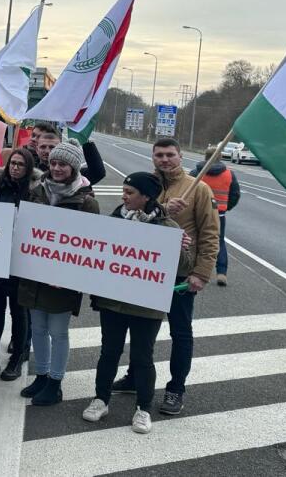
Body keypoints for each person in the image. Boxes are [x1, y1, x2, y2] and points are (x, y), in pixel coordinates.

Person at [114, 138, 218, 415]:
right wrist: (161, 209)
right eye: (159, 154)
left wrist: (201, 273)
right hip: (146, 271)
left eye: (170, 154)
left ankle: (175, 389)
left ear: (180, 156)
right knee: (140, 329)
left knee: (180, 333)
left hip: (180, 275)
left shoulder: (199, 189)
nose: (164, 159)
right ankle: (135, 377)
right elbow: (127, 215)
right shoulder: (147, 184)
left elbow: (210, 235)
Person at [82, 171, 184, 435]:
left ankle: (143, 408)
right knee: (109, 352)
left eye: (130, 193)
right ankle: (101, 399)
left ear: (146, 196)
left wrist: (181, 247)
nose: (123, 196)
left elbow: (183, 267)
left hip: (146, 306)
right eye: (123, 191)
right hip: (113, 302)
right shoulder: (113, 220)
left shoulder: (168, 228)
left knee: (142, 357)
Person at [18, 139, 98, 406]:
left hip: (63, 280)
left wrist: (72, 276)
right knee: (37, 328)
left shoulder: (85, 200)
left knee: (58, 331)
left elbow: (91, 244)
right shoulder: (36, 190)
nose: (56, 168)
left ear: (74, 167)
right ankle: (41, 375)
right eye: (53, 162)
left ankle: (55, 382)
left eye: (62, 163)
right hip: (34, 274)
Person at [0, 148, 38, 380]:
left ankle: (15, 359)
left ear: (28, 168)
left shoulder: (34, 193)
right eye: (12, 163)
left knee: (19, 312)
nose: (15, 167)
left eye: (20, 164)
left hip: (20, 260)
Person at [191, 147, 240, 287]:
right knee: (219, 241)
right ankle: (221, 273)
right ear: (220, 157)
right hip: (219, 213)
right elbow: (235, 194)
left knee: (194, 239)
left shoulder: (196, 173)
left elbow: (187, 189)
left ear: (205, 157)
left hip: (198, 212)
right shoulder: (229, 174)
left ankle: (194, 270)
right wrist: (226, 206)